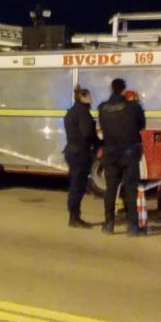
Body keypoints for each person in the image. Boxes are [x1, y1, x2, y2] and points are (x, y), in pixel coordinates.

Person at [97, 78, 146, 236]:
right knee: (131, 190)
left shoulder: (102, 108)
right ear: (124, 90)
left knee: (110, 190)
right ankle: (132, 227)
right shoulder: (133, 107)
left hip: (110, 155)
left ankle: (109, 224)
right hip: (129, 155)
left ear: (112, 89)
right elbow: (141, 125)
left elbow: (102, 128)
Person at [63, 87, 100, 228]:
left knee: (75, 184)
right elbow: (87, 133)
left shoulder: (71, 111)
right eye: (89, 95)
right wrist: (97, 143)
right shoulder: (83, 112)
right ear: (82, 97)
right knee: (77, 186)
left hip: (71, 151)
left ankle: (74, 215)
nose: (91, 98)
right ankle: (74, 218)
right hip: (80, 153)